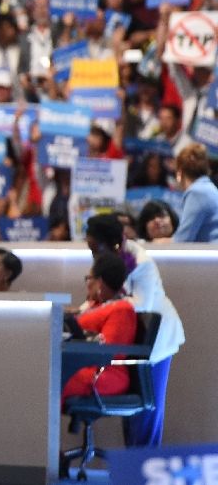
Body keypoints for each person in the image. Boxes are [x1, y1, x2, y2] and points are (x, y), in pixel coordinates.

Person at [85, 214, 185, 446]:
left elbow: (141, 303)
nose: (93, 255)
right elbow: (99, 296)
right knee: (133, 414)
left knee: (148, 410)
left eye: (95, 248)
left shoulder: (141, 263)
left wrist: (101, 310)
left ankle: (145, 471)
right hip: (132, 342)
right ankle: (133, 469)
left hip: (156, 341)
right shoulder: (105, 261)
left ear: (114, 244)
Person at [61, 252, 137, 402]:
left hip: (104, 372)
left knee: (51, 380)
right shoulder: (94, 305)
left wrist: (80, 339)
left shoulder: (121, 309)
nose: (87, 284)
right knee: (44, 374)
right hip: (79, 366)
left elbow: (108, 351)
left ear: (99, 282)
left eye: (88, 278)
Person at [168, 144, 218, 243]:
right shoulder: (208, 188)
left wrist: (154, 243)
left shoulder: (197, 192)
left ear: (180, 172)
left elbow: (182, 240)